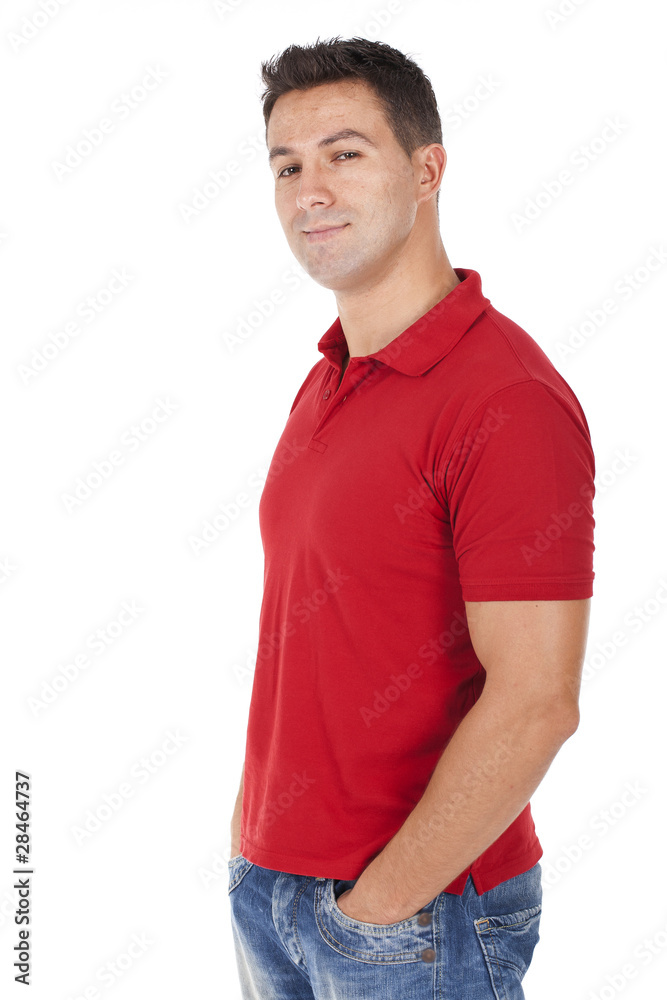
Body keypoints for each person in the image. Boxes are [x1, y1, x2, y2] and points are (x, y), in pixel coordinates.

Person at [228, 35, 595, 1000]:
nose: (309, 191)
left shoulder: (504, 399)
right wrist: (251, 848)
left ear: (427, 170)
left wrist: (376, 908)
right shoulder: (326, 377)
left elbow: (537, 701)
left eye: (344, 154)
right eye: (286, 166)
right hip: (274, 891)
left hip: (416, 918)